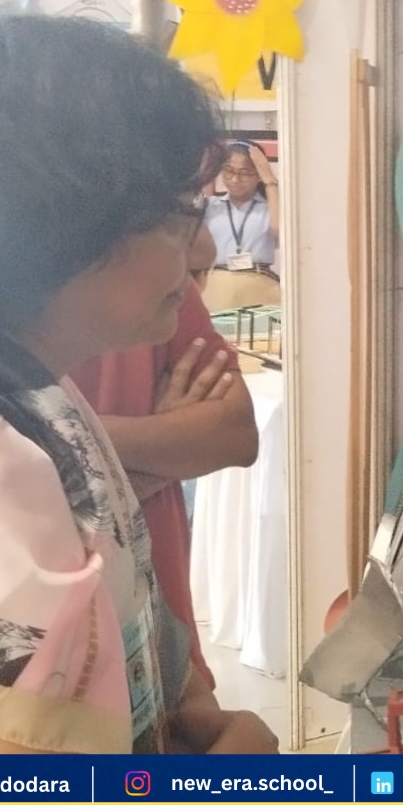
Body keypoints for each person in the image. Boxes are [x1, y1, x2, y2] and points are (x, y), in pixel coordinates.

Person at [0, 15, 276, 754]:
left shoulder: (4, 387)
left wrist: (187, 708)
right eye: (175, 216)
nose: (200, 247)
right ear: (51, 226)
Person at [68, 215, 259, 694]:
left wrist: (72, 446)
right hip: (56, 662)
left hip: (159, 633)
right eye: (173, 215)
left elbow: (236, 435)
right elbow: (29, 513)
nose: (200, 246)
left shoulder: (160, 289)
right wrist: (161, 443)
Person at [200, 140, 280, 310]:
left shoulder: (270, 208)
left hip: (260, 285)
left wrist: (270, 181)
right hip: (217, 286)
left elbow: (280, 232)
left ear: (258, 175)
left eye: (245, 173)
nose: (235, 179)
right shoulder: (211, 207)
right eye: (229, 171)